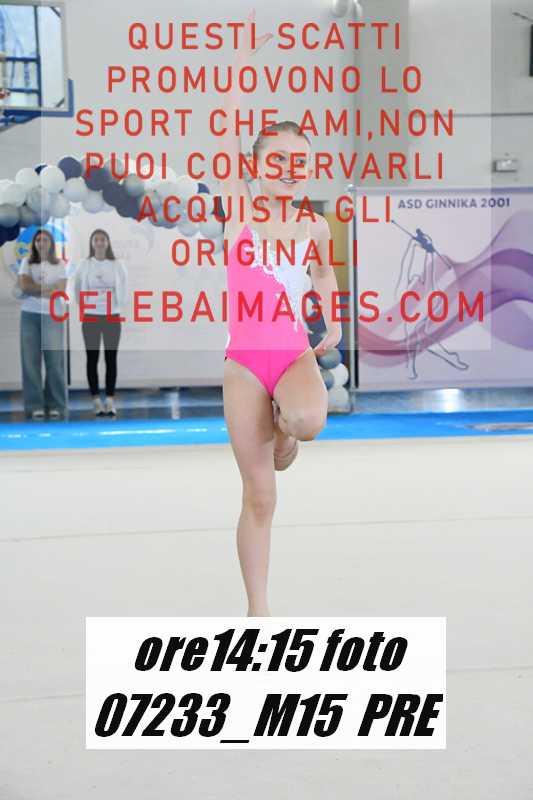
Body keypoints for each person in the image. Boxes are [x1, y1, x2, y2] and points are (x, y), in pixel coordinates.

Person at [220, 11, 342, 617]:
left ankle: (286, 429)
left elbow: (321, 273)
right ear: (257, 166)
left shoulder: (314, 225)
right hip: (244, 362)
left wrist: (334, 318)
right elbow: (226, 129)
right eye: (279, 159)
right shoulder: (239, 210)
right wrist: (242, 61)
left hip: (292, 352)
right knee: (260, 496)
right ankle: (258, 610)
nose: (290, 170)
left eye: (301, 161)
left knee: (310, 422)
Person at [74, 229, 127, 416]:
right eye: (96, 239)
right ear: (91, 243)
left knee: (111, 359)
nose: (99, 242)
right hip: (91, 316)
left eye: (102, 239)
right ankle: (96, 401)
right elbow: (77, 288)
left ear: (107, 242)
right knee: (92, 359)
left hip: (112, 316)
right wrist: (85, 306)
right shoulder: (84, 264)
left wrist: (118, 306)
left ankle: (110, 401)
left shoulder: (117, 264)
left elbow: (124, 287)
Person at [17, 228, 68, 420]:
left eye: (45, 240)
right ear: (34, 244)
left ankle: (56, 405)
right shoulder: (27, 262)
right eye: (38, 240)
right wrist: (48, 288)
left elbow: (60, 290)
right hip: (29, 315)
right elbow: (24, 286)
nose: (41, 243)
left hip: (52, 315)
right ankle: (34, 405)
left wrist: (35, 288)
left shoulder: (60, 264)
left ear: (51, 243)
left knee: (54, 362)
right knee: (30, 362)